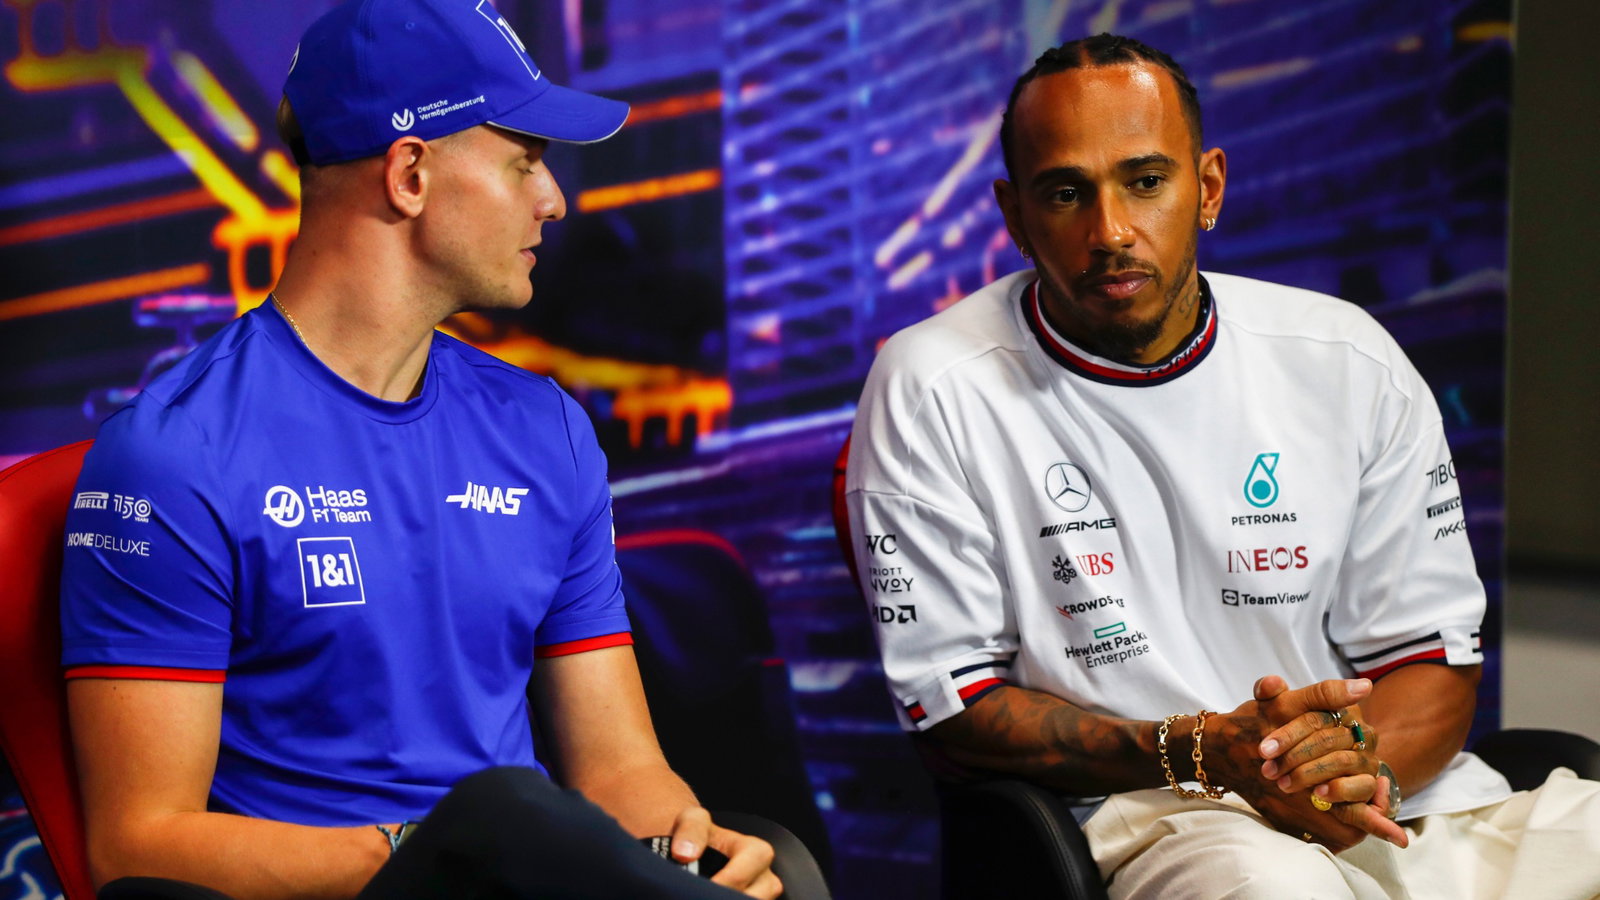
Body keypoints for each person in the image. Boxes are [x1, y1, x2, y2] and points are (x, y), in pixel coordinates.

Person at [57, 2, 787, 898]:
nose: (553, 200)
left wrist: (688, 850)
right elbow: (136, 849)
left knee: (773, 861)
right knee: (506, 818)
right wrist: (445, 856)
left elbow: (619, 772)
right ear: (410, 175)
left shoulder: (545, 429)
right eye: (525, 162)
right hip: (376, 887)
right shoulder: (175, 454)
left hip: (532, 876)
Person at [845, 33, 1600, 898]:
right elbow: (957, 712)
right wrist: (1206, 750)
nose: (1111, 231)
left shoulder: (1344, 355)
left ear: (1207, 188)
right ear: (1014, 217)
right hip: (1161, 821)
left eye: (1144, 180)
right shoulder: (933, 385)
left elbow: (1429, 656)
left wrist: (1347, 775)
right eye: (1065, 193)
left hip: (1399, 805)